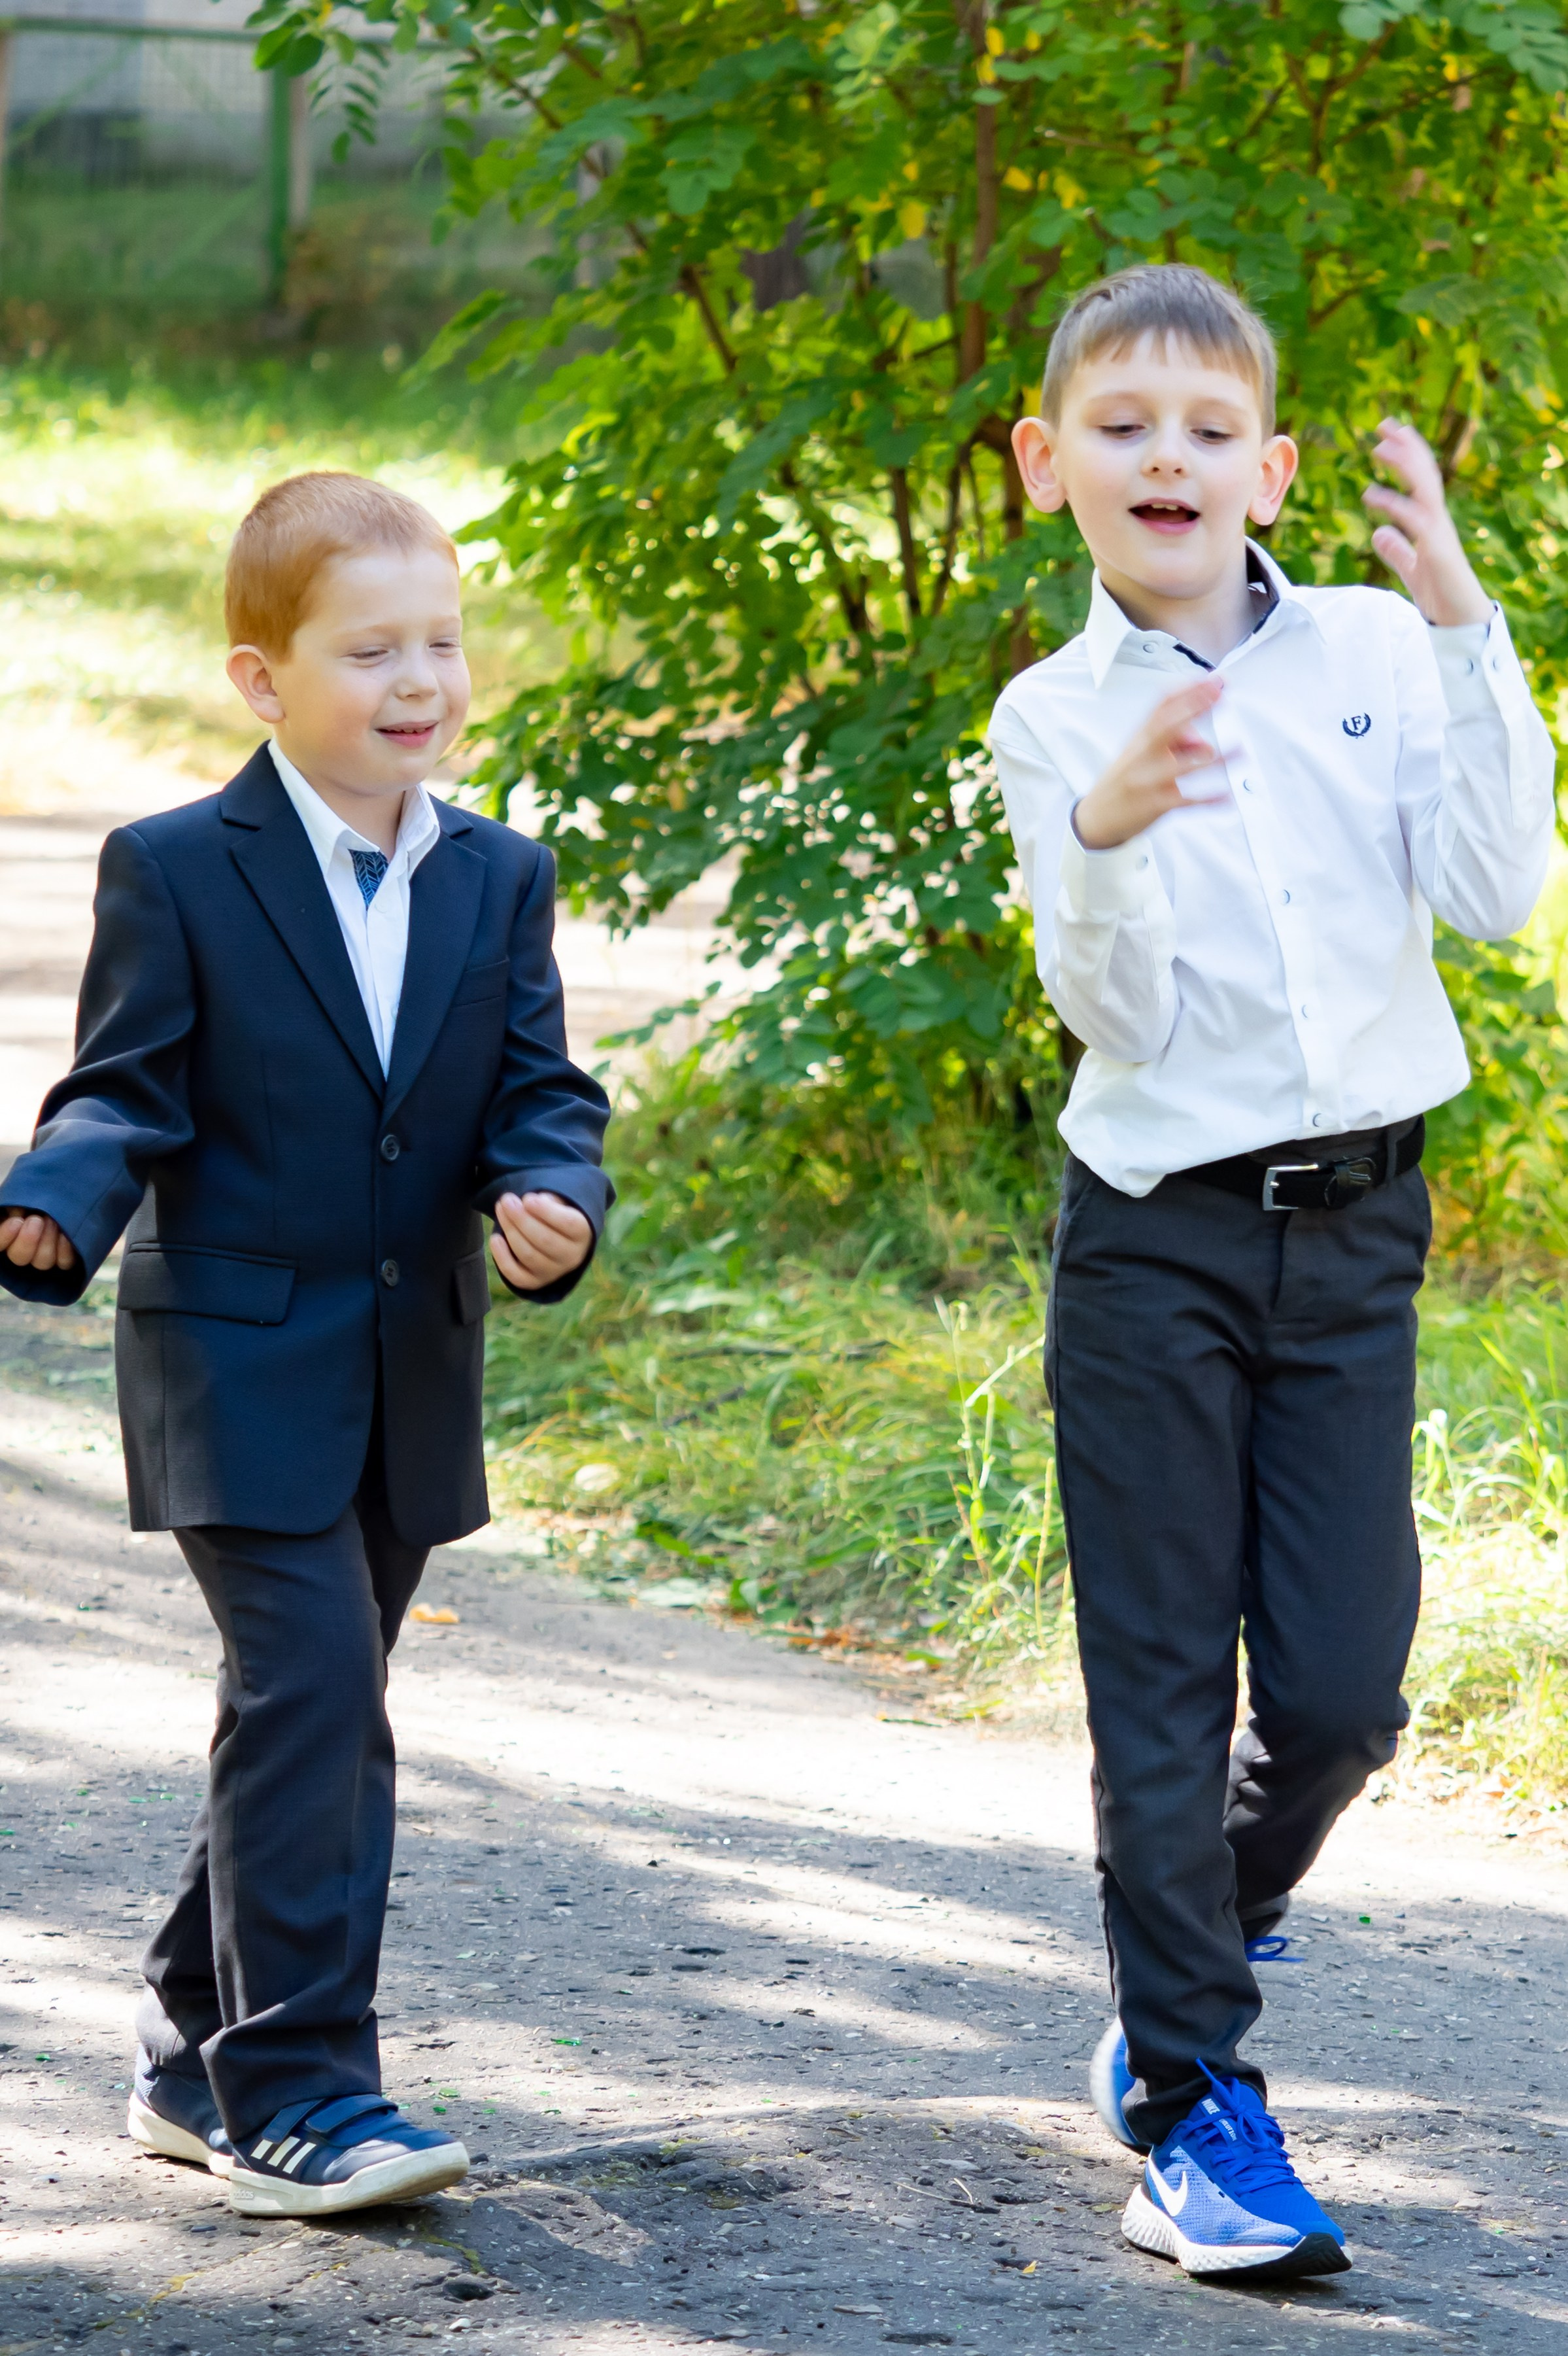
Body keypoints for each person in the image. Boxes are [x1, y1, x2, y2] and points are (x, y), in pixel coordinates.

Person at [990, 266, 1553, 2283]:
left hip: (1362, 1234)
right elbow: (1116, 1016)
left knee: (1338, 1691)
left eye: (1209, 428)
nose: (1170, 459)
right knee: (1161, 1692)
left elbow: (1496, 891)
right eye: (1123, 428)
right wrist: (1111, 834)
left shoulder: (1383, 651)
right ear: (1052, 464)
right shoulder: (1054, 717)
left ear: (1273, 465)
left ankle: (1174, 1955)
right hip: (1155, 1239)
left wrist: (1476, 631)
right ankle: (1192, 2111)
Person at [0, 472, 613, 2217]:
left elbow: (538, 1097)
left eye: (441, 641)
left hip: (406, 1374)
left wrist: (554, 1198)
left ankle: (192, 2042)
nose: (420, 678)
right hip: (234, 1362)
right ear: (263, 680)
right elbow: (127, 1083)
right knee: (320, 1692)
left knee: (304, 1703)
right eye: (372, 649)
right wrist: (54, 1197)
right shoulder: (180, 868)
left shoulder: (500, 876)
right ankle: (299, 2089)